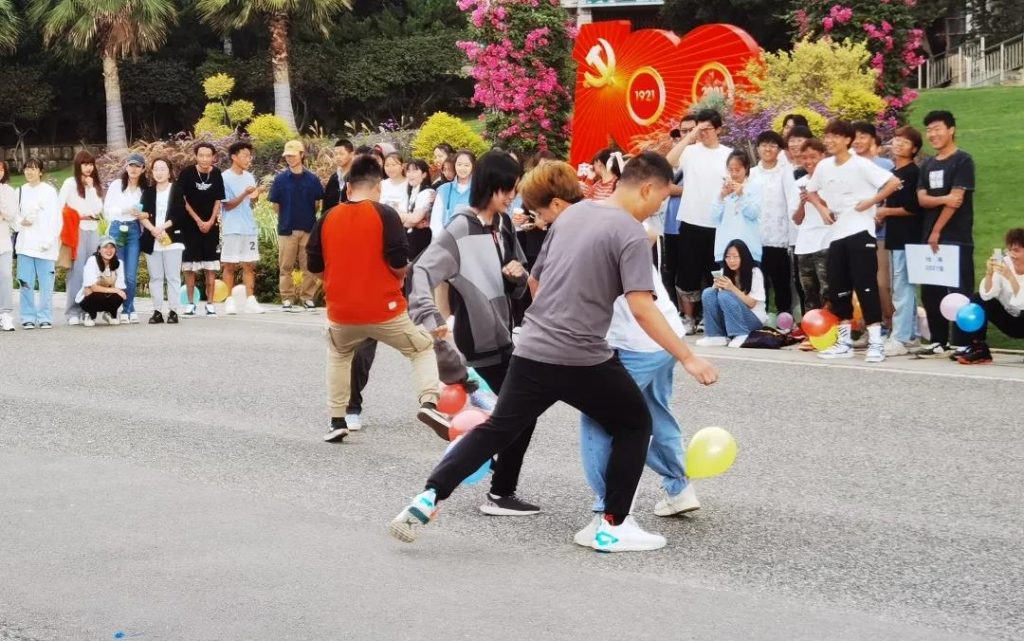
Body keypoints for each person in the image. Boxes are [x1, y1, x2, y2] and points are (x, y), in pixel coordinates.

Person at [389, 152, 719, 553]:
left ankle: (429, 495)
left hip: (532, 347)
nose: (658, 208)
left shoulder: (571, 217)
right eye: (661, 199)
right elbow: (641, 307)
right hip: (582, 356)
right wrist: (688, 357)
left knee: (497, 429)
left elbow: (535, 281)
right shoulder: (631, 233)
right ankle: (612, 525)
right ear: (648, 189)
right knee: (635, 423)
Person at [408, 151, 540, 516]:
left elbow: (516, 274)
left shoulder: (503, 223)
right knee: (517, 412)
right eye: (507, 189)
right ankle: (498, 488)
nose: (512, 196)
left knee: (514, 413)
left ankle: (487, 462)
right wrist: (431, 317)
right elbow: (421, 272)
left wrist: (515, 277)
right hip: (477, 337)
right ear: (490, 186)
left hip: (503, 333)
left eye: (514, 189)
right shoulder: (460, 228)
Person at [307, 154, 447, 443]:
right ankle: (429, 403)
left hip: (342, 312)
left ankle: (337, 419)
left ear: (348, 188)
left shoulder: (327, 217)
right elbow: (398, 262)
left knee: (339, 355)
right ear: (379, 187)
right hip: (385, 309)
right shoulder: (385, 214)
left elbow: (315, 267)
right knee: (421, 348)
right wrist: (399, 276)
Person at [805, 119, 901, 362]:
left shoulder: (861, 164)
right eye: (827, 136)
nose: (829, 141)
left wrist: (871, 202)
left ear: (847, 139)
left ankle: (876, 342)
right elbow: (811, 191)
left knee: (866, 286)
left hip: (861, 231)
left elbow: (893, 182)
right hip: (836, 234)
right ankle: (844, 342)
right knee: (838, 289)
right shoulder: (824, 166)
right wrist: (822, 209)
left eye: (835, 136)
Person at [666, 108, 733, 334]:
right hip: (691, 220)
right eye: (700, 128)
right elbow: (669, 161)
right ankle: (688, 317)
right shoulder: (690, 151)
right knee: (687, 272)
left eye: (708, 129)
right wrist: (689, 137)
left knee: (715, 271)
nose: (703, 133)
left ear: (719, 129)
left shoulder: (728, 154)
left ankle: (712, 316)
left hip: (719, 222)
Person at [915, 110, 977, 357]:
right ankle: (938, 340)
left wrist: (937, 231)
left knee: (959, 292)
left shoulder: (963, 161)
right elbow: (922, 199)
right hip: (929, 239)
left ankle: (963, 342)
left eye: (937, 129)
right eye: (929, 130)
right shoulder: (927, 164)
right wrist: (943, 198)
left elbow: (957, 200)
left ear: (951, 130)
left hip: (956, 236)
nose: (932, 134)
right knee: (931, 292)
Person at [875, 126, 924, 356]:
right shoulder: (893, 172)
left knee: (902, 288)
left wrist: (886, 212)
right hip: (894, 236)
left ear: (914, 149)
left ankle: (900, 338)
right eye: (896, 140)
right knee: (903, 287)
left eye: (905, 142)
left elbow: (914, 207)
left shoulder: (913, 173)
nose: (898, 144)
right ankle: (911, 334)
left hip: (909, 237)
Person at [269, 140, 324, 312]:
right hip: (287, 229)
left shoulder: (313, 179)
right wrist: (287, 217)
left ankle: (307, 297)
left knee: (308, 266)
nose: (290, 159)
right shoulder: (280, 179)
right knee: (285, 266)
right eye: (287, 156)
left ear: (301, 155)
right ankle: (287, 298)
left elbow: (317, 204)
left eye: (293, 155)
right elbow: (275, 205)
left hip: (308, 228)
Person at [956, 228, 1024, 364]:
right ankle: (979, 348)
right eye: (1009, 250)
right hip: (1010, 320)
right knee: (977, 299)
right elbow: (986, 295)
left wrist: (1011, 278)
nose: (1012, 255)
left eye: (1016, 251)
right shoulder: (1004, 263)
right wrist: (990, 273)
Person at [853, 121, 896, 332]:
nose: (858, 141)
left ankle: (890, 325)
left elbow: (895, 191)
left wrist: (882, 212)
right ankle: (867, 328)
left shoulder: (885, 165)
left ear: (872, 140)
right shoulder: (847, 166)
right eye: (855, 137)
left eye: (863, 136)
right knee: (860, 283)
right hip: (854, 231)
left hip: (880, 233)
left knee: (882, 283)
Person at [751, 131, 799, 315]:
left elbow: (793, 202)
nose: (768, 149)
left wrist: (792, 236)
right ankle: (760, 318)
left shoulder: (785, 172)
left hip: (779, 237)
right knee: (758, 282)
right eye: (764, 145)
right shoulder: (751, 173)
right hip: (755, 237)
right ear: (757, 148)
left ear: (779, 150)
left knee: (781, 282)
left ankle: (784, 318)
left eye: (772, 145)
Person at [176, 142, 225, 317]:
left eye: (208, 155)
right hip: (189, 226)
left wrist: (210, 221)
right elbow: (182, 199)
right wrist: (198, 220)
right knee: (190, 267)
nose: (204, 159)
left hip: (211, 227)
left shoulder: (217, 174)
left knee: (210, 267)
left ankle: (210, 304)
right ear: (196, 156)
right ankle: (190, 304)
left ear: (213, 157)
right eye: (201, 155)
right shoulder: (187, 173)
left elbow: (218, 199)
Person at [14, 159, 62, 329]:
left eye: (33, 169)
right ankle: (27, 316)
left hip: (45, 247)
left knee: (46, 285)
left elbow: (56, 219)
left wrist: (49, 240)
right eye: (27, 168)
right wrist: (21, 221)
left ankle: (45, 316)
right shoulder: (19, 191)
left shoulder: (49, 192)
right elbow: (13, 215)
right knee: (25, 283)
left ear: (40, 172)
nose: (29, 172)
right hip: (25, 245)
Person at [59, 151, 105, 326]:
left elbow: (97, 209)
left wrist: (91, 188)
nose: (88, 168)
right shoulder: (70, 183)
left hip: (93, 229)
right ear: (78, 166)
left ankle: (88, 310)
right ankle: (72, 311)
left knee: (92, 271)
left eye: (91, 164)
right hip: (76, 229)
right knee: (76, 271)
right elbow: (59, 205)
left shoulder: (95, 185)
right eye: (85, 164)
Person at [103, 153, 148, 323]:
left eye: (138, 166)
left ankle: (129, 308)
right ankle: (116, 308)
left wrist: (141, 214)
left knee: (130, 274)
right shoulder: (117, 185)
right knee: (116, 271)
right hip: (117, 228)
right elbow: (107, 210)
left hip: (134, 230)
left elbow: (147, 212)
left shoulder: (144, 189)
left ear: (143, 169)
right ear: (126, 167)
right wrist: (125, 210)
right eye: (131, 165)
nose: (134, 169)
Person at [220, 141, 264, 315]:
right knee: (229, 266)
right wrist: (245, 193)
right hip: (232, 228)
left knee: (249, 265)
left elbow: (250, 202)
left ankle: (250, 300)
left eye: (249, 156)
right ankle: (229, 300)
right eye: (245, 155)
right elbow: (227, 205)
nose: (248, 159)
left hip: (248, 227)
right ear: (234, 157)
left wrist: (256, 194)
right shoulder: (224, 177)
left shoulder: (249, 176)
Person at [697, 240, 767, 347]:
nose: (731, 260)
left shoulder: (755, 272)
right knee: (708, 293)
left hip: (753, 319)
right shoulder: (723, 271)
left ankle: (741, 334)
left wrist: (732, 288)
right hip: (729, 318)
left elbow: (752, 304)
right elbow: (717, 301)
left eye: (735, 257)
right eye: (728, 257)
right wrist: (716, 287)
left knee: (725, 295)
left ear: (744, 257)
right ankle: (715, 336)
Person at [140, 157, 185, 325]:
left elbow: (179, 215)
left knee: (173, 277)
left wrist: (162, 228)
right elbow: (142, 214)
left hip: (172, 239)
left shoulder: (177, 190)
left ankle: (173, 311)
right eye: (156, 169)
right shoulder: (148, 192)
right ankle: (157, 311)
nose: (159, 172)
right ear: (152, 172)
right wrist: (153, 230)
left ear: (169, 172)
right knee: (155, 277)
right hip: (152, 239)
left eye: (162, 169)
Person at [792, 139, 831, 320]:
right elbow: (797, 219)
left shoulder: (830, 180)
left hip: (827, 242)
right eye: (804, 157)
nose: (808, 161)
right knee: (809, 292)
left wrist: (816, 199)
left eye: (813, 157)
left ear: (823, 156)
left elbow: (836, 212)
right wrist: (802, 202)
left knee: (828, 290)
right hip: (805, 244)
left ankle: (833, 328)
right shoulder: (799, 183)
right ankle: (813, 329)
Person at [660, 115, 696, 311]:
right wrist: (687, 190)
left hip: (695, 223)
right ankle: (678, 312)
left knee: (694, 270)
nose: (688, 135)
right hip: (671, 224)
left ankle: (697, 315)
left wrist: (679, 190)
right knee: (672, 271)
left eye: (692, 130)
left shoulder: (704, 157)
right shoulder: (674, 159)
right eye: (684, 131)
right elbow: (664, 187)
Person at [711, 150, 762, 264]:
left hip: (749, 248)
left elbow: (753, 214)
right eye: (730, 170)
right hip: (725, 249)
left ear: (746, 168)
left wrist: (741, 195)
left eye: (737, 170)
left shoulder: (755, 187)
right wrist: (721, 197)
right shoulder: (722, 188)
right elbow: (714, 218)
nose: (734, 173)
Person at [75, 236, 127, 326]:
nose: (109, 250)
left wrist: (117, 290)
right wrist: (115, 290)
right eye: (105, 247)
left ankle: (111, 313)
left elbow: (120, 287)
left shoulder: (119, 263)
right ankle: (90, 314)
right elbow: (93, 288)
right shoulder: (92, 261)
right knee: (90, 292)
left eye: (112, 247)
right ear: (99, 249)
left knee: (120, 296)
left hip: (106, 295)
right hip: (91, 297)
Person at [430, 149, 474, 237]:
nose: (462, 168)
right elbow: (435, 221)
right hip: (446, 239)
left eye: (466, 165)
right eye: (459, 164)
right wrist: (445, 239)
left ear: (473, 166)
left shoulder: (480, 189)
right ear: (455, 166)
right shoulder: (444, 189)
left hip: (472, 240)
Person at [399, 159, 435, 260]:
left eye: (415, 171)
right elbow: (402, 217)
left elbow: (415, 219)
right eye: (408, 171)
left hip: (421, 240)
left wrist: (403, 218)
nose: (410, 174)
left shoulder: (428, 193)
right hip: (409, 240)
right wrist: (407, 218)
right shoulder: (408, 192)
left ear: (424, 174)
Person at [0, 160, 17, 332]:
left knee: (5, 276)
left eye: (0, 169)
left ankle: (5, 313)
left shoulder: (8, 191)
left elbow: (11, 213)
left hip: (3, 241)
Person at [322, 139, 354, 211]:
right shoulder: (334, 178)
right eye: (336, 154)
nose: (338, 157)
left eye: (341, 154)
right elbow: (326, 204)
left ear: (351, 154)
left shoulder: (357, 177)